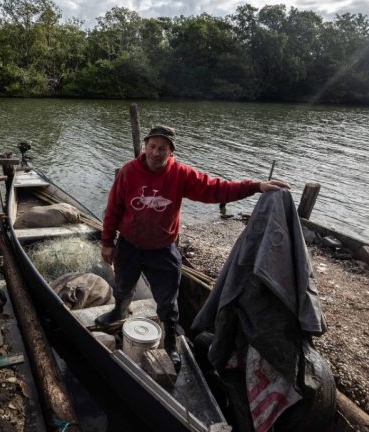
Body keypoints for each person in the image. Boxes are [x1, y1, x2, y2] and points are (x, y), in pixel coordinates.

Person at [99, 125, 289, 368]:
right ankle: (119, 311)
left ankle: (170, 340)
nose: (156, 153)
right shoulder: (128, 172)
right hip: (129, 244)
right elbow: (113, 209)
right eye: (152, 146)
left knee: (168, 299)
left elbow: (215, 188)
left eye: (162, 148)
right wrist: (107, 242)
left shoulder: (181, 174)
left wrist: (255, 186)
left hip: (162, 248)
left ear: (171, 152)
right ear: (145, 146)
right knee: (123, 285)